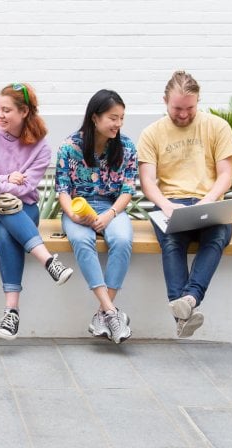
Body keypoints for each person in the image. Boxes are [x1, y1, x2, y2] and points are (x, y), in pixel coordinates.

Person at [0, 83, 73, 340]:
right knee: (4, 205)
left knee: (4, 230)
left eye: (6, 110)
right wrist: (6, 180)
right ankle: (48, 260)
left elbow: (26, 189)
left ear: (24, 112)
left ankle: (11, 311)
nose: (0, 115)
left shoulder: (41, 148)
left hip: (23, 209)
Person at [138, 70, 232, 338]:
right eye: (177, 108)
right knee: (172, 242)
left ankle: (188, 302)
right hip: (171, 203)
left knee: (217, 236)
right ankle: (187, 308)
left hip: (208, 201)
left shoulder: (217, 127)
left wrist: (207, 201)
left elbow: (225, 175)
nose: (183, 114)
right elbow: (148, 181)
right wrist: (166, 205)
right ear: (164, 101)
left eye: (190, 108)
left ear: (199, 101)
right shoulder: (152, 133)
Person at [55, 89, 137, 344]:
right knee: (81, 241)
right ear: (94, 117)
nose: (118, 124)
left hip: (112, 207)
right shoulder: (69, 147)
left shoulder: (127, 147)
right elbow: (63, 190)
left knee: (122, 240)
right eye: (113, 117)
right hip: (78, 207)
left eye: (121, 118)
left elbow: (127, 190)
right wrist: (72, 214)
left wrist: (111, 214)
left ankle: (104, 313)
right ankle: (111, 312)